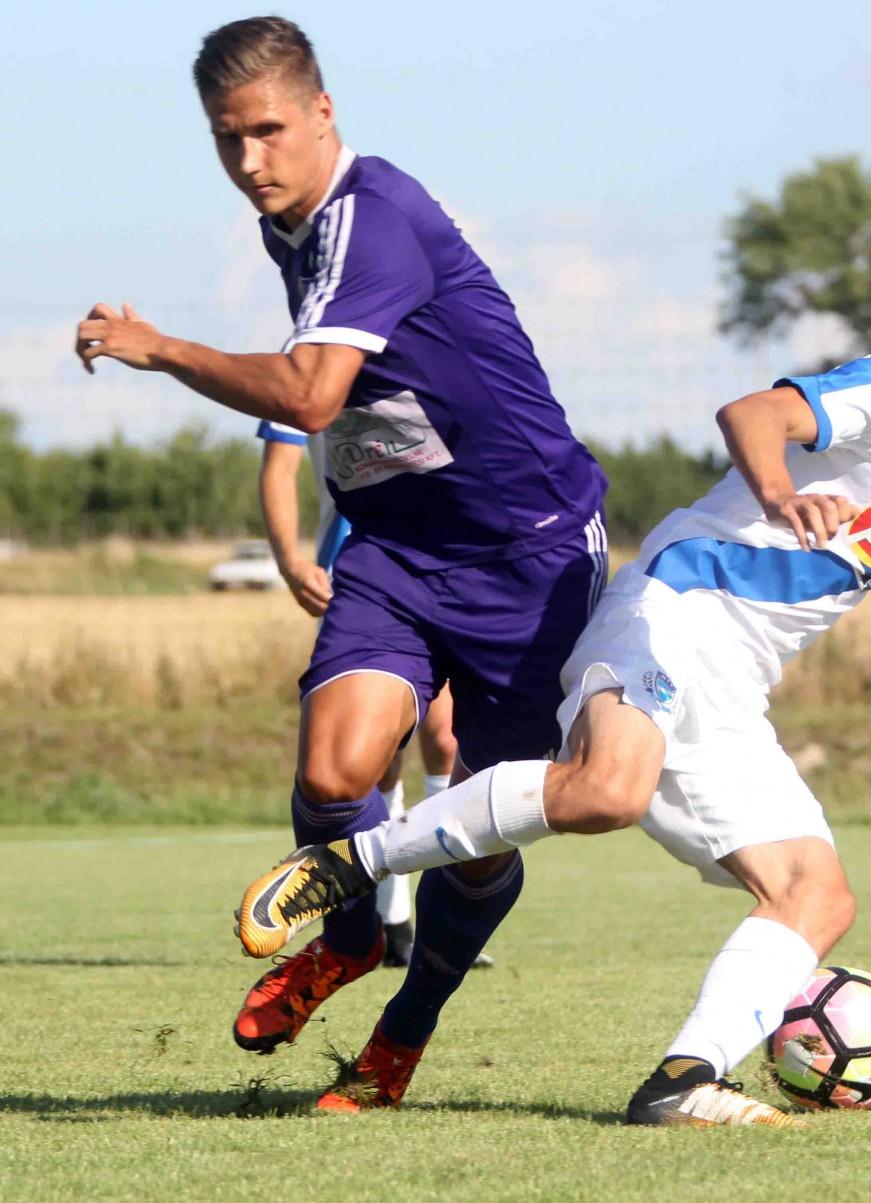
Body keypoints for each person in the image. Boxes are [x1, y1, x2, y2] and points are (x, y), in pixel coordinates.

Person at [237, 292, 871, 1123]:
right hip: (672, 612)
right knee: (606, 789)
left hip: (733, 689)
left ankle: (683, 1081)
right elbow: (752, 412)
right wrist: (778, 490)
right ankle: (351, 862)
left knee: (817, 894)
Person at [76, 17, 606, 1071]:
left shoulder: (371, 220)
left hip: (528, 554)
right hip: (400, 548)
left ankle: (406, 1029)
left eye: (267, 130)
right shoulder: (294, 226)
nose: (248, 160)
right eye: (226, 137)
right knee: (333, 771)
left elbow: (313, 397)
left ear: (323, 112)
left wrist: (163, 348)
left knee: (476, 835)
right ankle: (351, 938)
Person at [257, 419, 464, 967]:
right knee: (375, 762)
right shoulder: (313, 370)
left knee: (447, 739)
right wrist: (291, 561)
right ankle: (392, 919)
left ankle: (442, 922)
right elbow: (280, 464)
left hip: (450, 567)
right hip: (362, 573)